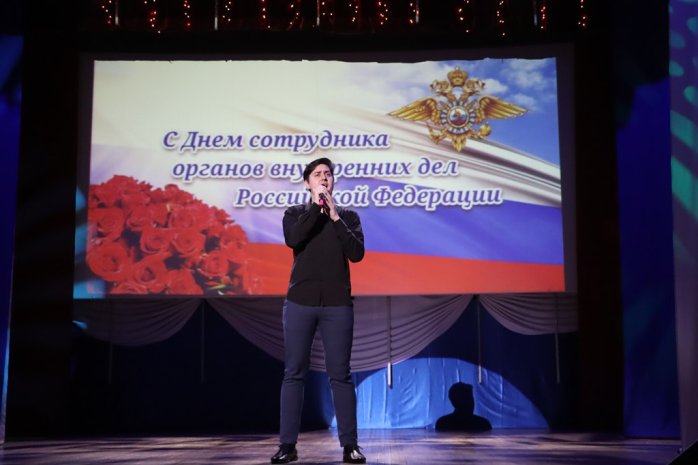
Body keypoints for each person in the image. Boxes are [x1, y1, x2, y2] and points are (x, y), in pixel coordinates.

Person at [271, 157, 366, 464]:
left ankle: (350, 445)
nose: (324, 178)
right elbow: (294, 238)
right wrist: (316, 208)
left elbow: (357, 254)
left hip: (337, 305)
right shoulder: (295, 214)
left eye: (328, 174)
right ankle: (287, 446)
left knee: (340, 374)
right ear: (307, 183)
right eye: (317, 174)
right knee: (293, 373)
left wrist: (334, 216)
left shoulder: (348, 217)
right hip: (300, 302)